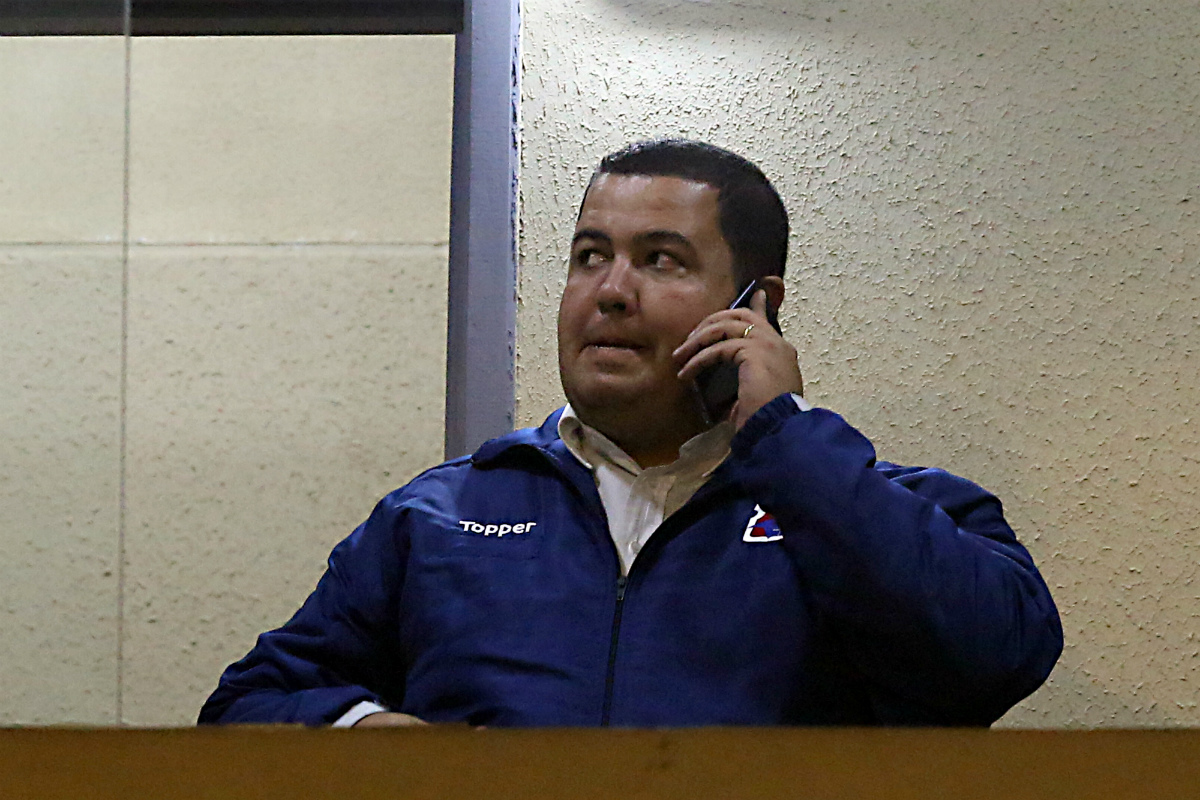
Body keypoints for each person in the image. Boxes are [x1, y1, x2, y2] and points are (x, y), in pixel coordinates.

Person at [199, 139, 1062, 728]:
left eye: (660, 260)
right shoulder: (440, 514)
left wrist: (787, 441)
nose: (610, 291)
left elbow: (993, 660)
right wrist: (368, 731)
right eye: (589, 256)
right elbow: (247, 705)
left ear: (757, 307)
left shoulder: (877, 507)